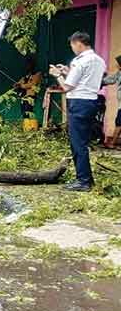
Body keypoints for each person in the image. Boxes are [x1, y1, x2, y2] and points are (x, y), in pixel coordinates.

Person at [49, 31, 106, 192]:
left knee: (77, 143)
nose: (73, 49)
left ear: (78, 44)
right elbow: (86, 79)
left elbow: (67, 87)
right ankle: (85, 178)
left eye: (72, 45)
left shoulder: (79, 61)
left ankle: (84, 181)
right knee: (82, 141)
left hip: (78, 102)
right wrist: (68, 71)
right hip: (91, 102)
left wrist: (57, 74)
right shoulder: (99, 60)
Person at [101, 56, 121, 148]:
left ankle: (112, 143)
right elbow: (110, 80)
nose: (117, 66)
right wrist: (100, 80)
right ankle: (113, 142)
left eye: (118, 64)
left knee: (119, 123)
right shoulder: (119, 73)